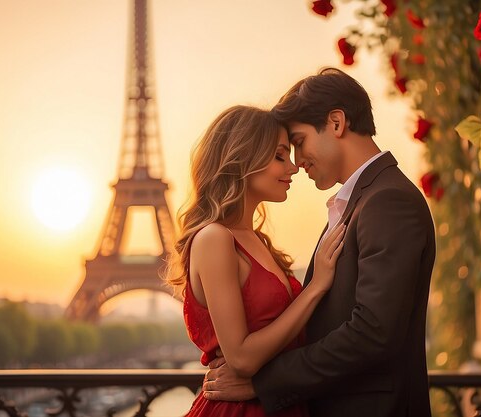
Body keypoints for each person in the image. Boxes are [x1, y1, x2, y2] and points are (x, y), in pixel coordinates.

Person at [202, 68, 436, 417]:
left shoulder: (387, 202)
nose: (297, 163)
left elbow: (373, 332)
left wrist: (263, 383)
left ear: (337, 122)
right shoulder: (364, 201)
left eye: (297, 142)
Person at [167, 105, 346, 417]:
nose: (293, 168)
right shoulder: (215, 238)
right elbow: (242, 358)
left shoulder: (256, 240)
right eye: (279, 156)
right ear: (241, 159)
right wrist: (316, 287)